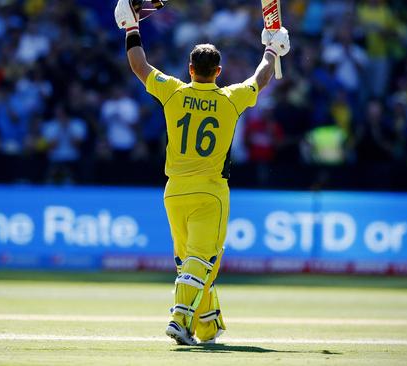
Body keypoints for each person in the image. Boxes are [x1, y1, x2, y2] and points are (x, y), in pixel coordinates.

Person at [114, 0, 290, 345]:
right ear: (219, 71)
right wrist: (272, 46)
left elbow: (138, 65)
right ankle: (179, 320)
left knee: (190, 264)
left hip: (174, 191)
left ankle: (207, 327)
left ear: (190, 69)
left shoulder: (173, 92)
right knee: (202, 261)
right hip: (210, 192)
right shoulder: (230, 99)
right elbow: (262, 77)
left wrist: (131, 28)